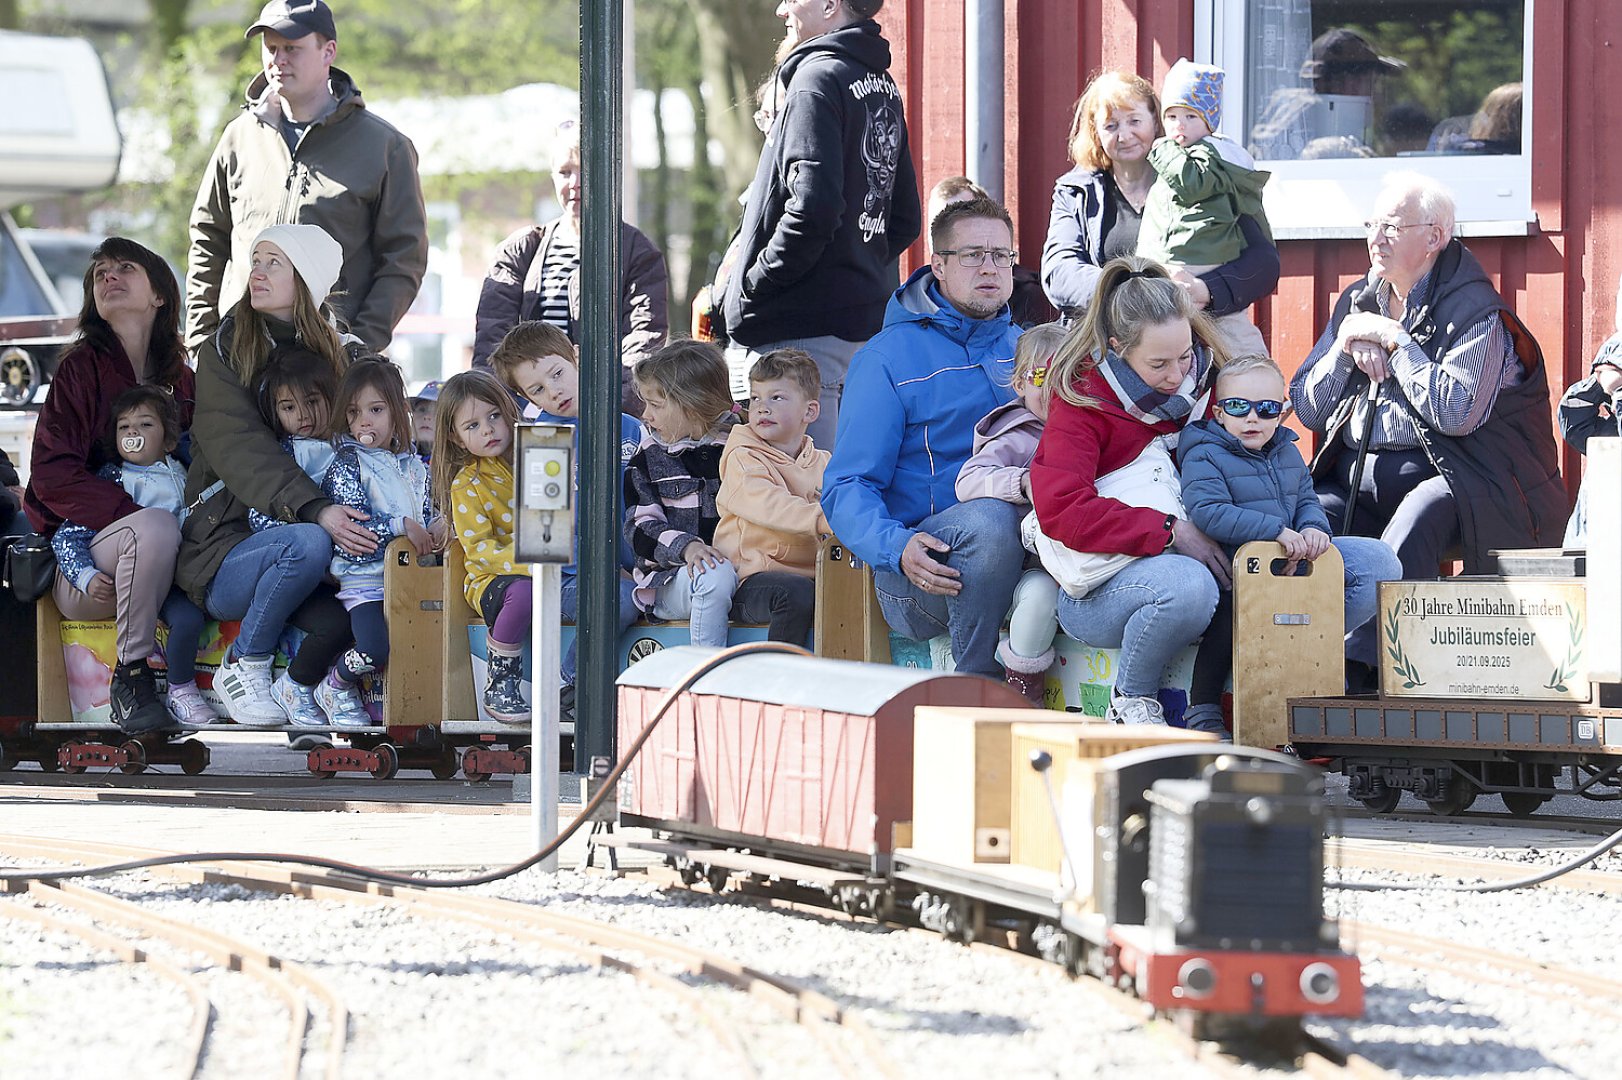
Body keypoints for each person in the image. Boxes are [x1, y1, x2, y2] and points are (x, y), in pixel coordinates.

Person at [1289, 173, 1565, 685]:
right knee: (1306, 519)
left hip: (1464, 477)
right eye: (1373, 224)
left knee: (1421, 514)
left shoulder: (1476, 311)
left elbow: (1455, 412)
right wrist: (1344, 346)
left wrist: (1396, 344)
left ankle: (1362, 668)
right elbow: (1306, 407)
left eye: (1393, 227)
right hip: (1358, 472)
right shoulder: (1357, 304)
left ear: (1435, 236)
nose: (1376, 238)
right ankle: (1288, 660)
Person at [178, 223, 374, 726]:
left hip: (322, 554)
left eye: (273, 263)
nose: (256, 272)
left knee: (346, 617)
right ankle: (243, 665)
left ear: (306, 279)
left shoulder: (347, 353)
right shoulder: (223, 351)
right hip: (225, 547)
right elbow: (239, 447)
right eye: (256, 259)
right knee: (305, 541)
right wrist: (318, 508)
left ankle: (315, 696)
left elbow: (379, 430)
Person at [821, 196, 1025, 679]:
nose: (990, 268)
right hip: (923, 570)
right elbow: (846, 485)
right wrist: (897, 546)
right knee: (991, 521)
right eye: (973, 255)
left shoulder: (1027, 350)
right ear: (939, 264)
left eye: (1002, 256)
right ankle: (975, 683)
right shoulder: (886, 359)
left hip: (1029, 543)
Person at [1028, 257, 1233, 725]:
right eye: (1158, 364)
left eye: (1184, 355)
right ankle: (1131, 699)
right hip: (1102, 588)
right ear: (1118, 348)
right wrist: (1170, 530)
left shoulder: (1212, 377)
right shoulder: (1083, 398)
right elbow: (1062, 509)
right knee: (1190, 587)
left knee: (1365, 565)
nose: (1178, 375)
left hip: (1211, 542)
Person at [720, 0, 921, 449]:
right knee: (841, 494)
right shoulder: (880, 85)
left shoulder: (815, 79)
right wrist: (854, 266)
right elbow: (904, 218)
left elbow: (813, 208)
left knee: (800, 502)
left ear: (830, 5)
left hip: (798, 336)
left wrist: (756, 281)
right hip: (856, 336)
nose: (780, 10)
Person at [187, 0, 428, 353]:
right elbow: (208, 240)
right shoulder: (237, 138)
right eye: (270, 49)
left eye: (292, 48)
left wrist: (358, 345)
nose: (278, 60)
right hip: (238, 353)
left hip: (329, 357)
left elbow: (404, 258)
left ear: (328, 51)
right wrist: (201, 343)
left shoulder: (385, 147)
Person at [24, 237, 195, 735]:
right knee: (155, 528)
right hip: (88, 567)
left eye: (124, 268)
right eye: (99, 273)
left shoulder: (183, 381)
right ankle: (132, 676)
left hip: (171, 562)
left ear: (160, 294)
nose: (108, 277)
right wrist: (132, 509)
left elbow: (205, 469)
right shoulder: (79, 369)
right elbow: (52, 475)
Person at [1177, 356, 1402, 733]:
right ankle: (1203, 706)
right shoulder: (1204, 453)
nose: (1253, 419)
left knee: (1370, 569)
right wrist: (1275, 532)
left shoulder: (1286, 452)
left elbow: (1306, 500)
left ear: (1280, 412)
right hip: (1235, 569)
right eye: (1238, 407)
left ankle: (1311, 660)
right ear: (1218, 413)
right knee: (1231, 617)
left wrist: (1314, 529)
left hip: (1293, 566)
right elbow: (1208, 512)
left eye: (1265, 410)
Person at [488, 320, 642, 719]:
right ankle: (572, 683)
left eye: (557, 374)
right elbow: (545, 542)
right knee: (618, 598)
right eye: (537, 389)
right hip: (570, 581)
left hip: (635, 570)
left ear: (576, 357)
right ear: (525, 396)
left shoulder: (629, 427)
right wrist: (607, 571)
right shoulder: (543, 443)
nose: (554, 391)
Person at [1041, 70, 1278, 328]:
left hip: (1198, 335)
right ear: (1095, 133)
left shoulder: (1202, 174)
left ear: (1156, 121)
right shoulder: (1077, 190)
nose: (1124, 135)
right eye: (1111, 126)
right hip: (1108, 339)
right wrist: (1130, 291)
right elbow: (1059, 271)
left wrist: (1205, 289)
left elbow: (1264, 263)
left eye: (1134, 121)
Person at [474, 120, 669, 418]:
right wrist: (515, 415)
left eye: (585, 170)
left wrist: (603, 411)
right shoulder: (521, 250)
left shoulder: (635, 251)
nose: (574, 183)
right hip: (533, 412)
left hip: (607, 413)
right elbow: (492, 343)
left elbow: (643, 342)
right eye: (565, 172)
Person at [50, 386, 211, 730]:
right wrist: (86, 576)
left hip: (168, 581)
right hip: (109, 573)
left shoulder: (185, 473)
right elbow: (67, 536)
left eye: (145, 425)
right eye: (124, 427)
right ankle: (131, 674)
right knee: (157, 524)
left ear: (169, 441)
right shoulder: (112, 478)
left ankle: (182, 691)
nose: (133, 433)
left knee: (189, 620)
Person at [954, 322, 1067, 702]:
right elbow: (968, 481)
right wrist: (1021, 483)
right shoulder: (1017, 435)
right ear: (1020, 384)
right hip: (1029, 567)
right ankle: (1023, 684)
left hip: (1078, 557)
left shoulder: (1090, 432)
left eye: (1067, 375)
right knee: (1041, 598)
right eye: (1041, 376)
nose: (1053, 388)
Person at [1137, 59, 1274, 358]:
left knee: (1228, 330)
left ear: (1209, 122)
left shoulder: (1205, 156)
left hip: (1200, 261)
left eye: (1190, 116)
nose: (1179, 125)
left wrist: (1161, 149)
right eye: (1172, 116)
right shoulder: (1183, 156)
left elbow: (1192, 184)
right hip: (1172, 263)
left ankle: (1259, 380)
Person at [624, 341, 741, 647]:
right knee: (713, 574)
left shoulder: (743, 444)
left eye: (656, 405)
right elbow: (640, 529)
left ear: (693, 405)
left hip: (745, 565)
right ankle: (702, 682)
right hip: (673, 579)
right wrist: (686, 548)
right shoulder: (647, 457)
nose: (645, 415)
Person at [714, 347, 830, 646]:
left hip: (813, 573)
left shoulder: (824, 463)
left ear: (810, 411)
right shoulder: (742, 458)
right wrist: (823, 518)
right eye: (755, 398)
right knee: (794, 593)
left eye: (776, 398)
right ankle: (778, 677)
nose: (762, 407)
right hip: (750, 579)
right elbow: (769, 505)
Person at [433, 370, 529, 723]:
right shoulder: (467, 483)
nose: (488, 429)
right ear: (456, 439)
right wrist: (529, 562)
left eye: (493, 416)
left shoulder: (532, 462)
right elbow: (479, 550)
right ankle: (500, 680)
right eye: (472, 426)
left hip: (544, 566)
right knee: (525, 594)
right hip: (490, 579)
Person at [1249, 28, 1406, 161]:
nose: (1376, 96)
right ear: (1349, 83)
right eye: (1372, 82)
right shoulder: (1302, 126)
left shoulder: (1287, 114)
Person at [927, 176, 1055, 328]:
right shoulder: (913, 306)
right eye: (938, 223)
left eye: (963, 217)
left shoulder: (1028, 297)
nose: (988, 268)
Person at [1555, 276, 1622, 546]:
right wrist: (1599, 383)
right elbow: (1575, 426)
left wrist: (1617, 390)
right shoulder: (1609, 421)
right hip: (1589, 545)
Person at [409, 381, 441, 465]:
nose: (426, 416)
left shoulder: (460, 464)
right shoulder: (398, 457)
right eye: (421, 410)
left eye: (437, 413)